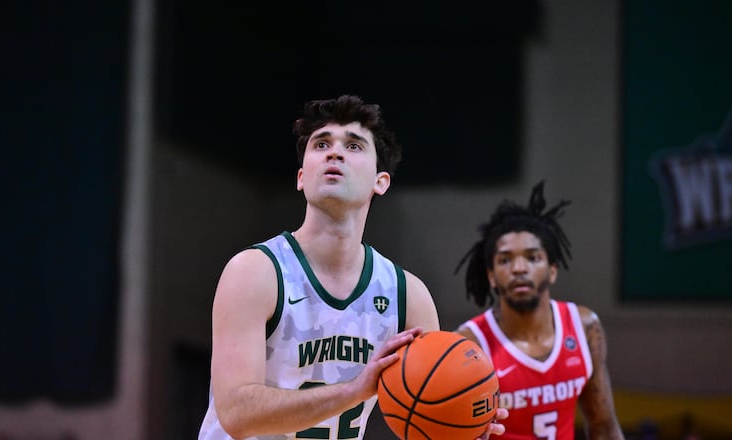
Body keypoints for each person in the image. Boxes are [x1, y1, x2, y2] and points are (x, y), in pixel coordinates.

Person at [198, 95, 507, 440]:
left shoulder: (407, 295)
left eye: (354, 146)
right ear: (302, 177)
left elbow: (427, 410)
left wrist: (460, 428)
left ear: (381, 181)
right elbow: (237, 413)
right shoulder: (255, 272)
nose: (334, 152)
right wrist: (353, 390)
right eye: (322, 144)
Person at [454, 181, 624, 440]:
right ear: (491, 276)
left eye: (533, 257)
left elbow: (604, 426)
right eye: (505, 260)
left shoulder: (584, 327)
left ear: (552, 269)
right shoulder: (470, 344)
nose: (519, 268)